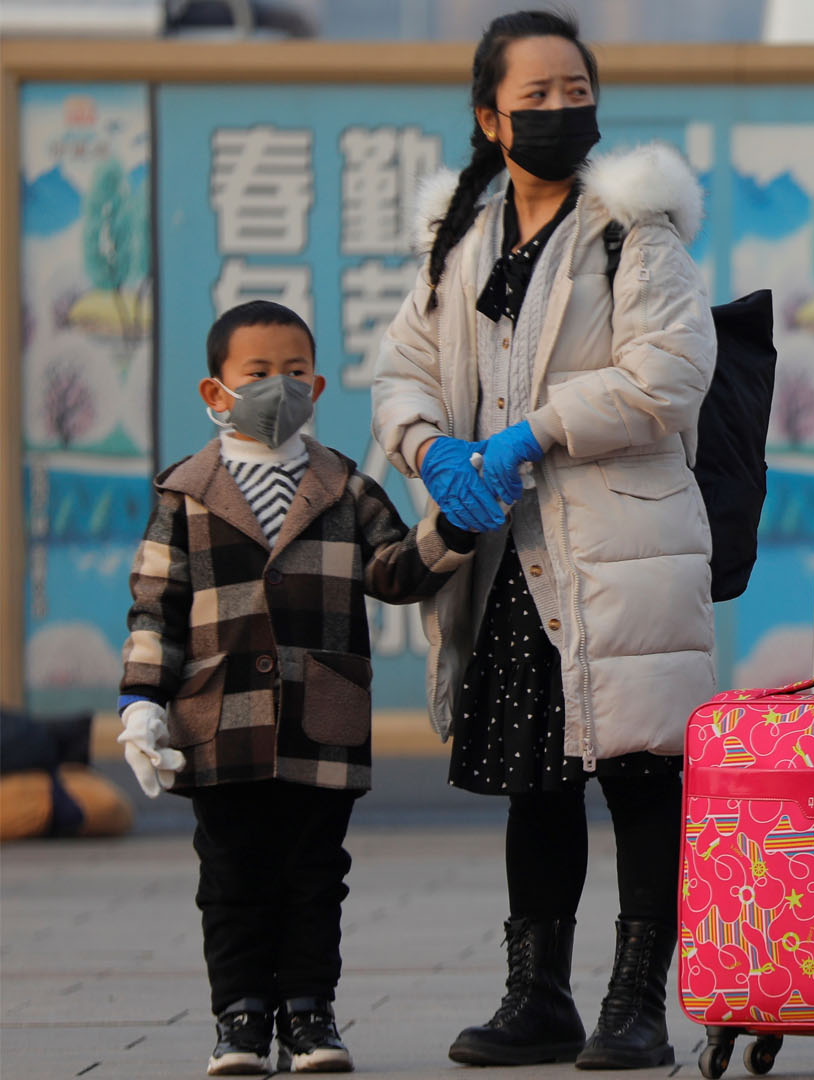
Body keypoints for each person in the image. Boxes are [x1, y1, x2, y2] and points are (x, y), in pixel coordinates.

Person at [370, 10, 717, 1070]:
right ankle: (539, 999)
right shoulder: (464, 245)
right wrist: (431, 450)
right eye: (538, 97)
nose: (564, 111)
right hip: (510, 559)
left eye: (578, 92)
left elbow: (671, 372)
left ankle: (635, 1005)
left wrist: (534, 427)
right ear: (490, 117)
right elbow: (403, 374)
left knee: (642, 774)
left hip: (618, 551)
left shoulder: (631, 232)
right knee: (538, 778)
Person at [116, 300, 477, 1074]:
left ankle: (310, 1014)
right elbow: (156, 606)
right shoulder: (185, 492)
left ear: (315, 387)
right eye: (258, 374)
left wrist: (456, 528)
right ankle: (240, 1017)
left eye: (292, 374)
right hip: (219, 724)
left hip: (323, 723)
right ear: (216, 393)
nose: (277, 388)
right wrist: (141, 703)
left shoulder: (344, 486)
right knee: (232, 874)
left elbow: (394, 571)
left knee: (315, 876)